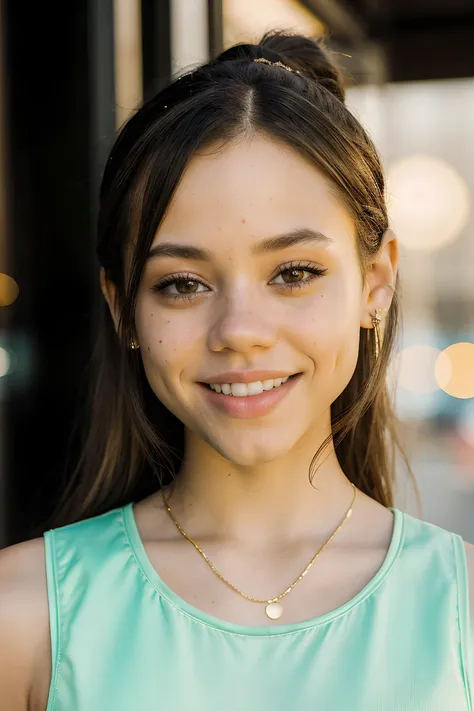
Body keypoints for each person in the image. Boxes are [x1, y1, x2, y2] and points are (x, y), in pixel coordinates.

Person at [0, 29, 473, 711]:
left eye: (294, 273)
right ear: (124, 310)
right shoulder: (24, 618)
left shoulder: (462, 615)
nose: (240, 333)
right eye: (184, 283)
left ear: (376, 283)